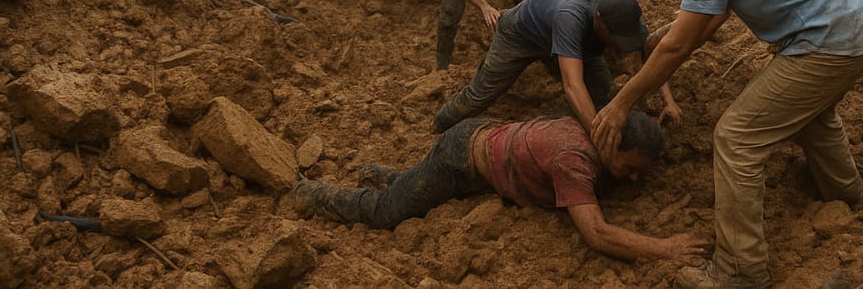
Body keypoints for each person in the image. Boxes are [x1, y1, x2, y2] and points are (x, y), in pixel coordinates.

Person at [590, 0, 863, 289]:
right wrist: (668, 35)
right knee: (811, 114)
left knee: (736, 137)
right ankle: (844, 195)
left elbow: (680, 47)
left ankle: (740, 272)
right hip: (854, 30)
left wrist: (623, 101)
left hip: (828, 42)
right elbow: (709, 18)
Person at [291, 111, 708, 263]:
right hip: (461, 159)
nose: (633, 178)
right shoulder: (573, 159)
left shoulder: (593, 124)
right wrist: (665, 248)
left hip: (486, 146)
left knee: (418, 189)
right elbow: (596, 233)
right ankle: (313, 194)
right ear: (611, 144)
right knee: (387, 213)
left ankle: (384, 172)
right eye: (629, 167)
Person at [432, 0, 680, 134]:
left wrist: (668, 102)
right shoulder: (571, 17)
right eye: (614, 38)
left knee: (603, 97)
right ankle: (440, 122)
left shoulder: (626, 17)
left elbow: (651, 59)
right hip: (519, 35)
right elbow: (573, 85)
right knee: (481, 95)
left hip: (571, 43)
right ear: (597, 20)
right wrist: (598, 134)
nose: (618, 44)